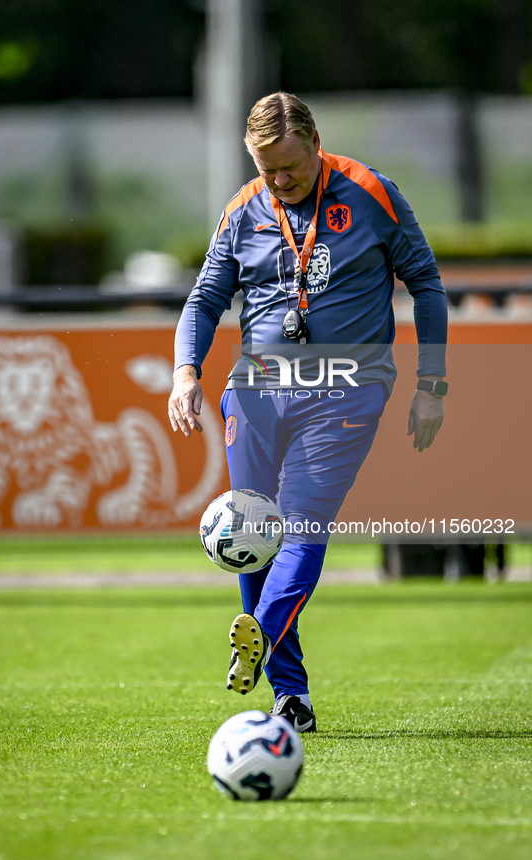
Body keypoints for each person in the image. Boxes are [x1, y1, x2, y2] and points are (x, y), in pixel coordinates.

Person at [168, 92, 447, 733]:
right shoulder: (244, 208)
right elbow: (206, 297)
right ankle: (290, 696)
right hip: (258, 390)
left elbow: (426, 283)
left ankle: (259, 634)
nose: (279, 181)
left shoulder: (371, 193)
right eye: (266, 170)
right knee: (251, 536)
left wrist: (432, 383)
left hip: (347, 388)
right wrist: (187, 373)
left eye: (289, 167)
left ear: (315, 144)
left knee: (301, 524)